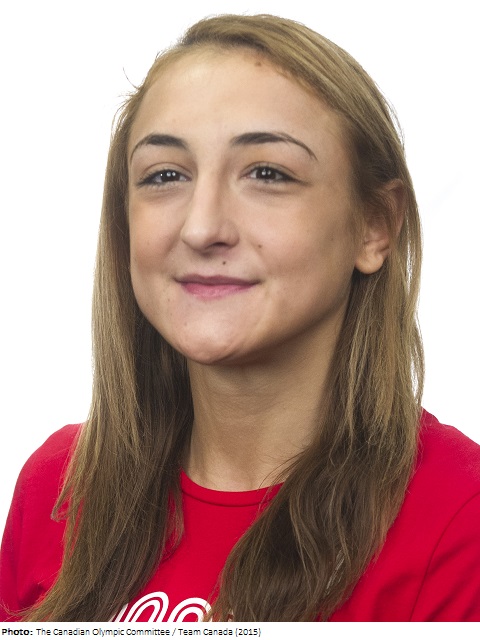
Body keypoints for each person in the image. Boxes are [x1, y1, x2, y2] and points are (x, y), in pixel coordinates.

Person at [1, 13, 480, 623]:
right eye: (165, 175)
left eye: (267, 173)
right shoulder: (59, 485)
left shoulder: (460, 519)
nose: (202, 227)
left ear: (375, 226)